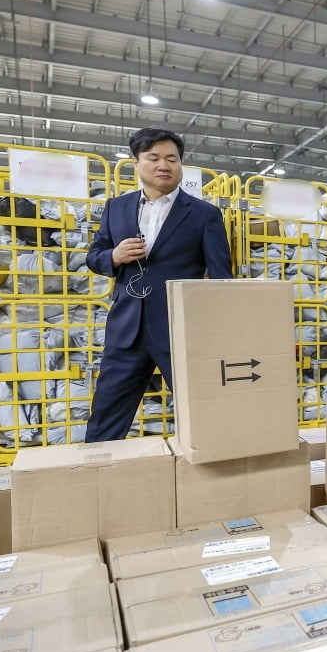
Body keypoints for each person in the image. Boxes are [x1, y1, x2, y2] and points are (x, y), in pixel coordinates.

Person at [85, 127, 232, 442]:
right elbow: (94, 256)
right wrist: (114, 256)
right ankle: (94, 477)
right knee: (106, 415)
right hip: (127, 329)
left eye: (172, 159)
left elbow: (222, 279)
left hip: (181, 331)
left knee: (202, 410)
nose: (164, 165)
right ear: (136, 163)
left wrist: (219, 333)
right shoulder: (116, 208)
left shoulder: (204, 214)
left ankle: (213, 473)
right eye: (153, 158)